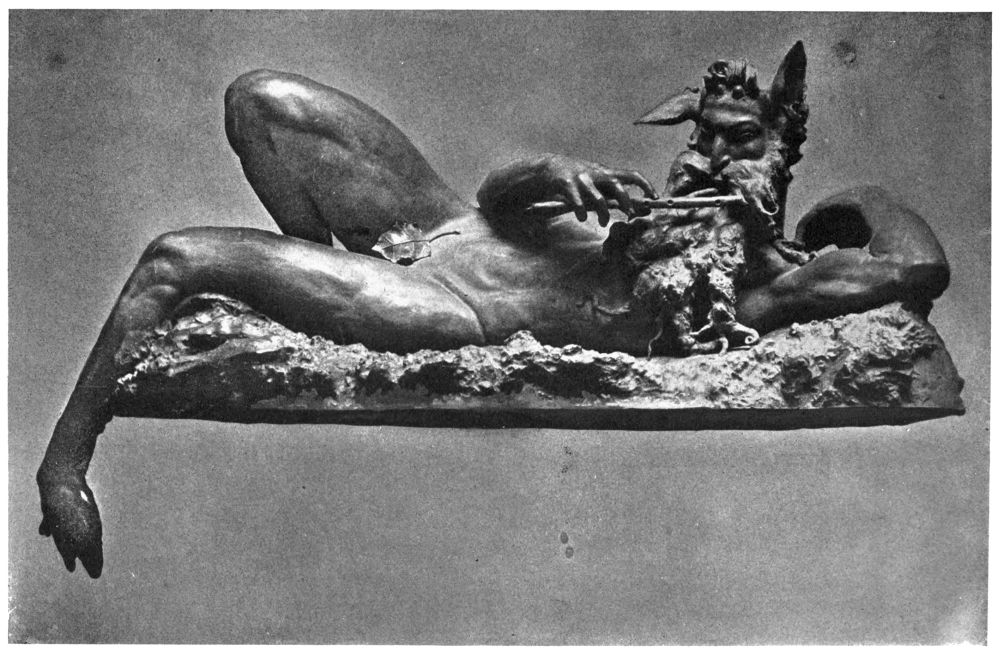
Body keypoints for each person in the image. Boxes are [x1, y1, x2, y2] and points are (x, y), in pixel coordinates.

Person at [37, 42, 949, 577]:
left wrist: (845, 208)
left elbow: (917, 264)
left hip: (448, 300)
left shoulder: (755, 288)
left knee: (178, 257)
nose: (706, 160)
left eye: (737, 144)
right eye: (699, 140)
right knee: (258, 100)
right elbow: (495, 197)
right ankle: (313, 287)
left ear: (778, 156)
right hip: (442, 220)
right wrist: (551, 173)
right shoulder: (643, 209)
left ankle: (64, 463)